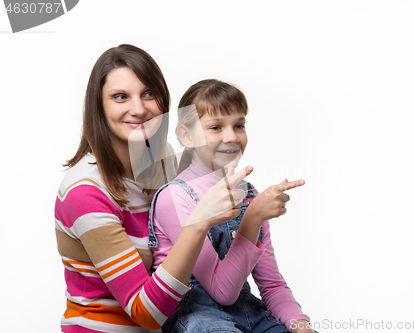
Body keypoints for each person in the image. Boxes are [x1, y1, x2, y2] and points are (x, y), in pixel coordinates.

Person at [54, 45, 252, 332]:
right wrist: (199, 222)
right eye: (120, 97)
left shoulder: (164, 161)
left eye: (148, 93)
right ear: (99, 106)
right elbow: (144, 312)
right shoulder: (84, 190)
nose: (139, 109)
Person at [149, 79, 316, 333]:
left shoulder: (250, 196)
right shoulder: (174, 197)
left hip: (248, 311)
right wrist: (253, 218)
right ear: (186, 136)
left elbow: (271, 285)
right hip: (195, 316)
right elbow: (221, 291)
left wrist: (299, 324)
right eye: (216, 127)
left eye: (239, 125)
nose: (231, 136)